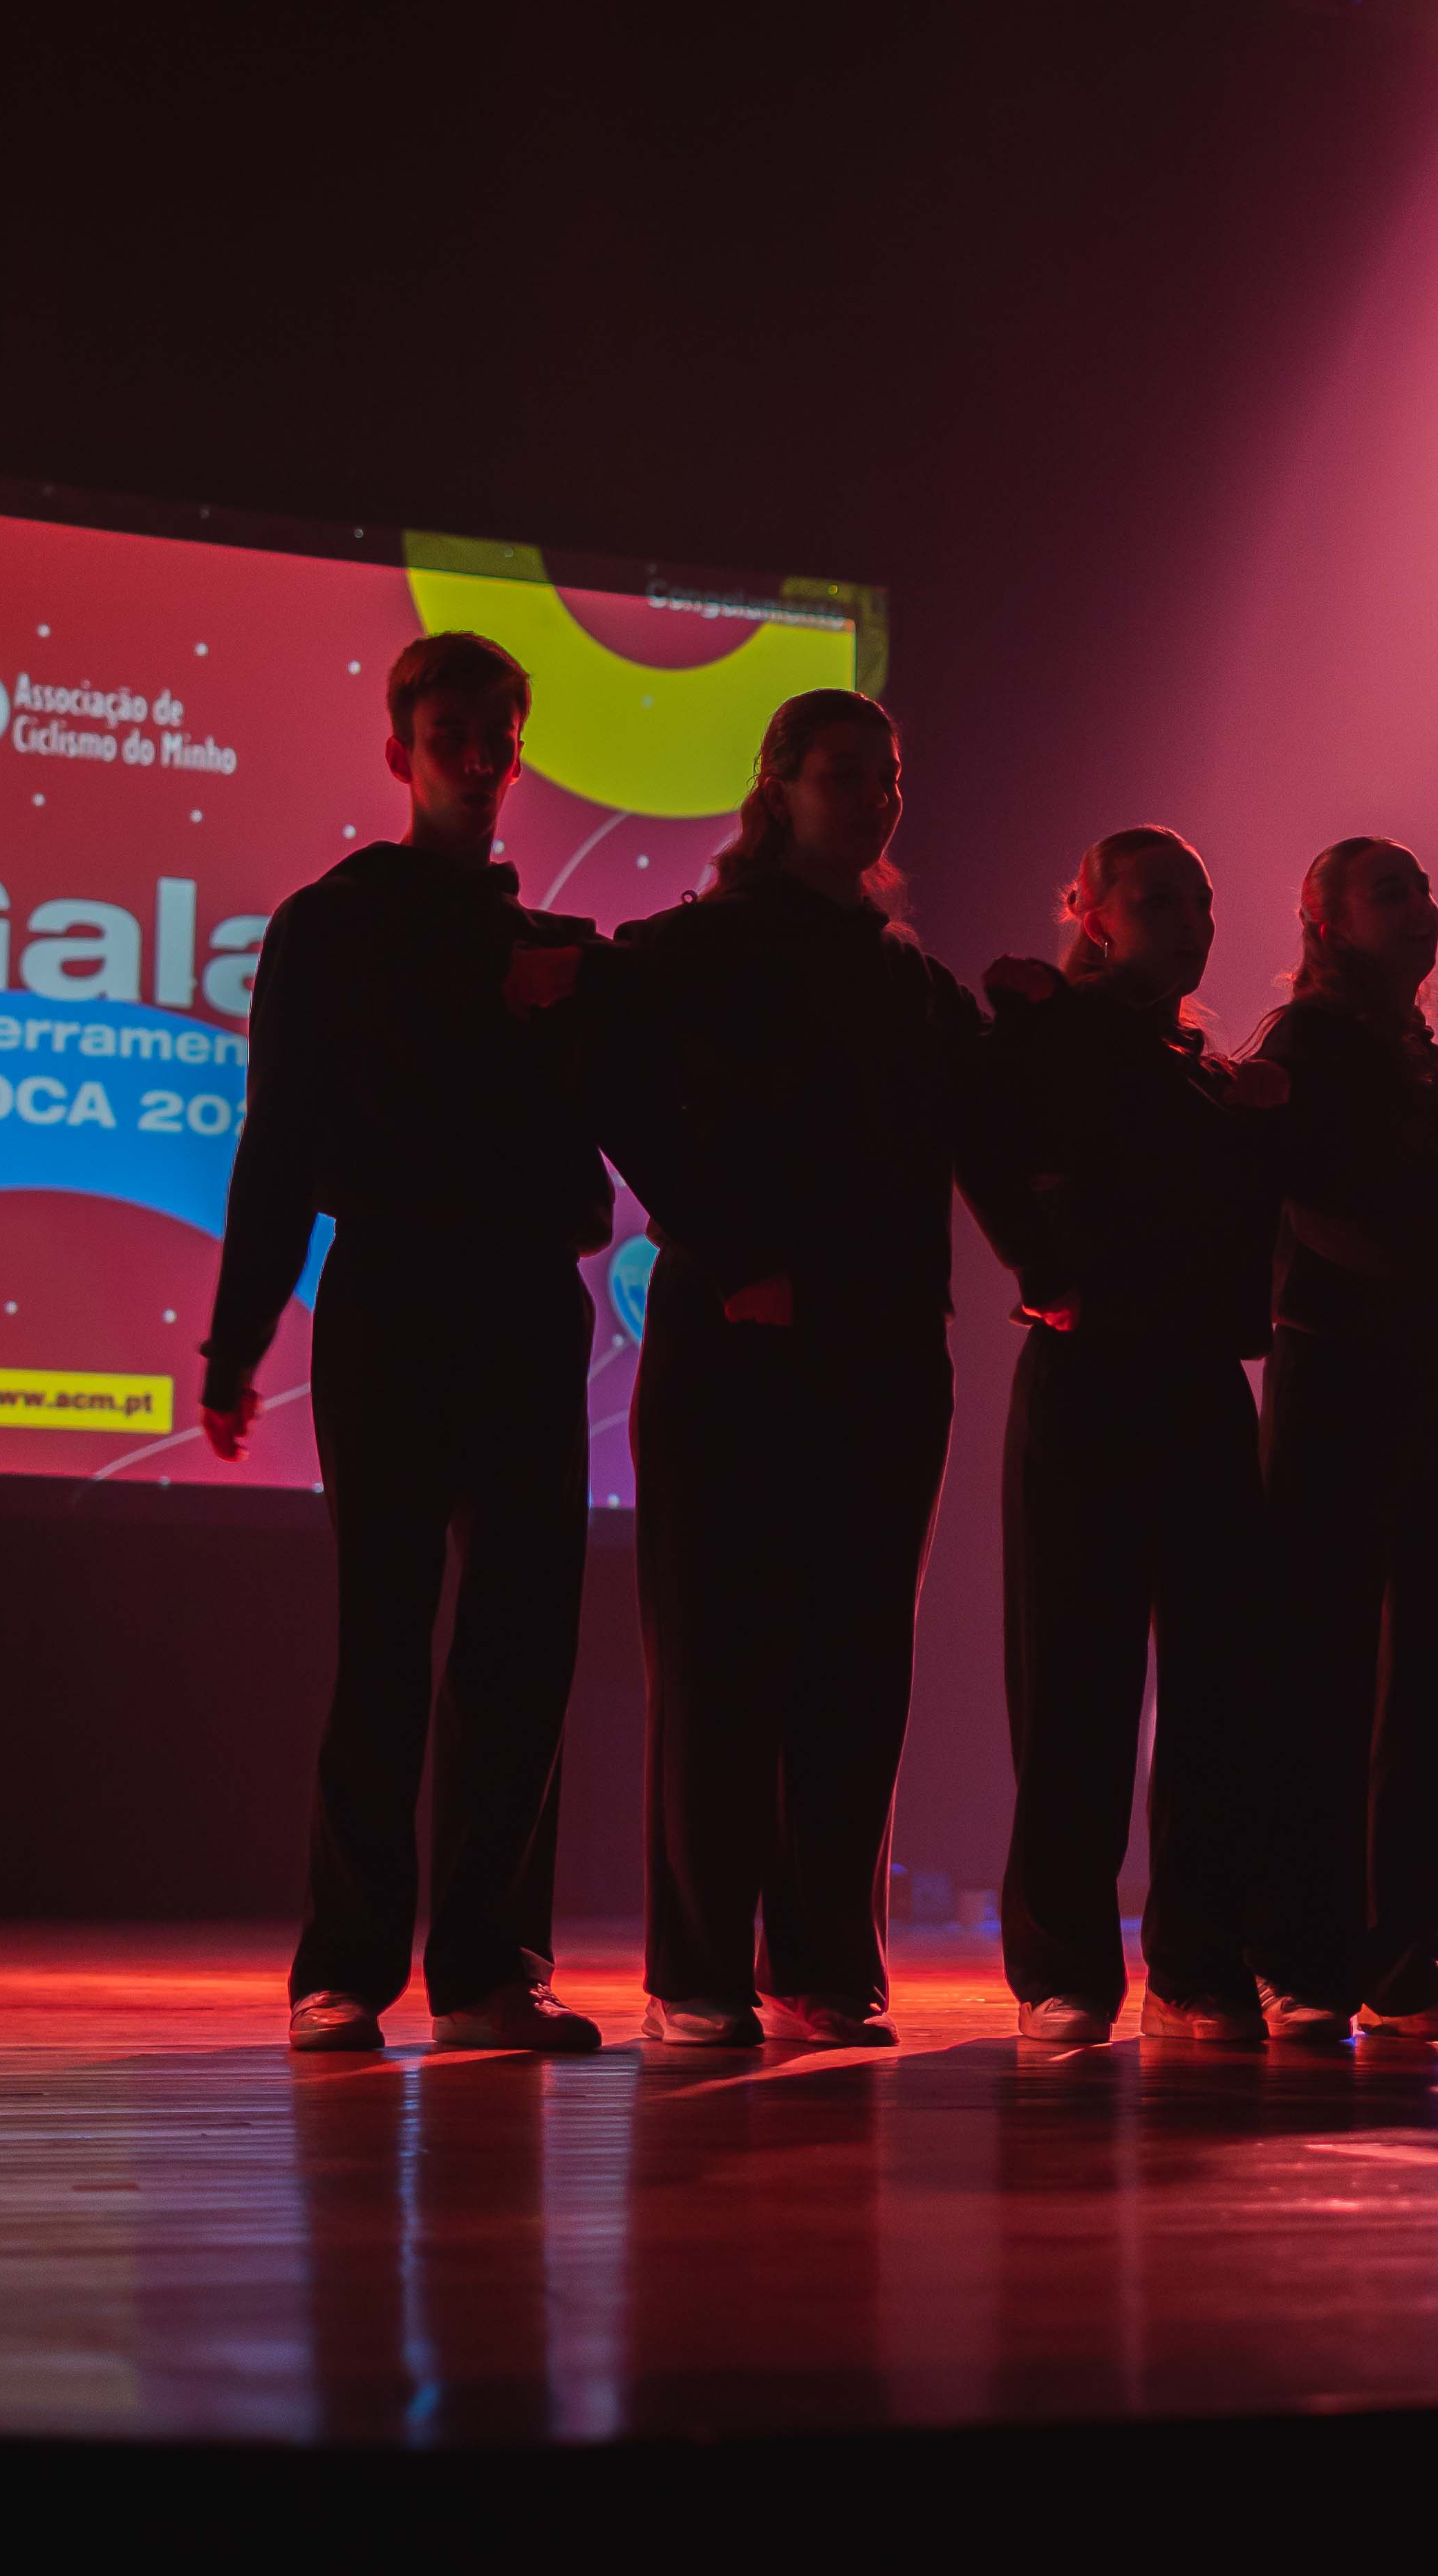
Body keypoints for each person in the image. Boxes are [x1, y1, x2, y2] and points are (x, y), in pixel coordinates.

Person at [204, 630, 613, 2057]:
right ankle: (345, 1968)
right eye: (453, 733)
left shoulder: (557, 946)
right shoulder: (333, 921)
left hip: (525, 1302)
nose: (481, 756)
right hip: (391, 1294)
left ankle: (492, 1970)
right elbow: (281, 1135)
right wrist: (236, 1341)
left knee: (522, 1641)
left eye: (501, 732)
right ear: (401, 750)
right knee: (383, 1635)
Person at [587, 688, 983, 2051]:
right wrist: (730, 1246)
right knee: (718, 1655)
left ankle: (822, 1962)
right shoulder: (702, 944)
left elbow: (1004, 1113)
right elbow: (616, 1084)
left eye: (888, 774)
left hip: (887, 1347)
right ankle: (696, 1971)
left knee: (857, 1660)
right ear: (778, 785)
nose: (873, 797)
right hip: (738, 1337)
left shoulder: (909, 975)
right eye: (841, 773)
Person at [961, 827, 1314, 2043]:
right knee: (1078, 1678)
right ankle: (1063, 1966)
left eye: (1201, 903)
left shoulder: (1206, 1073)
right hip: (1092, 1373)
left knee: (1221, 1684)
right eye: (1159, 900)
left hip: (1201, 1384)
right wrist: (1041, 1266)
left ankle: (1197, 1963)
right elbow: (983, 1138)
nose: (1190, 924)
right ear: (1094, 913)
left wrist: (1257, 1121)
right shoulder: (1051, 1031)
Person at [1250, 839, 1438, 2041]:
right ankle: (1299, 1949)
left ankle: (1405, 1948)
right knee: (1320, 1663)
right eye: (1390, 893)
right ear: (1324, 920)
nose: (1421, 908)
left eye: (1425, 888)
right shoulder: (1304, 1047)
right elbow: (1317, 1207)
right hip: (1342, 1374)